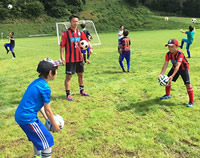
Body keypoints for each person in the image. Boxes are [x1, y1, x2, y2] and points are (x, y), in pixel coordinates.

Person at [15, 58, 62, 158]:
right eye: (56, 70)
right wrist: (54, 125)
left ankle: (37, 156)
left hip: (22, 115)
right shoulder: (45, 87)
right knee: (48, 139)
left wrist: (46, 119)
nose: (56, 73)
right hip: (27, 118)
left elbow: (38, 105)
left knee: (37, 138)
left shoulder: (36, 82)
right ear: (50, 72)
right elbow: (48, 110)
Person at [60, 14, 93, 101]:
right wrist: (62, 57)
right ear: (70, 22)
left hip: (79, 58)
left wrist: (90, 48)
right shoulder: (65, 33)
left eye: (77, 21)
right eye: (74, 21)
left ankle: (82, 91)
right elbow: (62, 46)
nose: (75, 23)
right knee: (68, 77)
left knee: (81, 75)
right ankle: (68, 94)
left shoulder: (80, 32)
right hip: (70, 59)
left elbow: (86, 41)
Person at [159, 39, 194, 107]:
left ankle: (191, 101)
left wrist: (172, 75)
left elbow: (178, 66)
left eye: (172, 46)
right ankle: (167, 95)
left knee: (188, 84)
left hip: (184, 68)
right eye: (169, 46)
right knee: (167, 80)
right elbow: (165, 64)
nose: (170, 48)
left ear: (177, 46)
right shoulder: (168, 54)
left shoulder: (180, 54)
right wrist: (161, 74)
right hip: (174, 67)